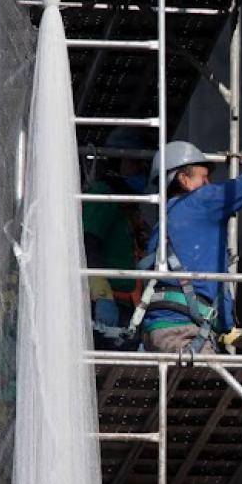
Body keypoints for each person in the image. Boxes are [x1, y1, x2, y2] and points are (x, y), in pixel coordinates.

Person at [138, 115, 242, 354]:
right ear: (184, 180)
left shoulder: (165, 223)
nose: (209, 185)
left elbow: (198, 285)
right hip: (182, 333)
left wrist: (230, 334)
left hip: (167, 330)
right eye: (203, 178)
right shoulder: (201, 201)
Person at [84, 127, 155, 350]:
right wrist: (102, 295)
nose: (141, 169)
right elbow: (88, 243)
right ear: (116, 163)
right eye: (134, 162)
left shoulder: (128, 208)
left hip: (131, 306)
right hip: (109, 303)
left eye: (143, 163)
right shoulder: (103, 195)